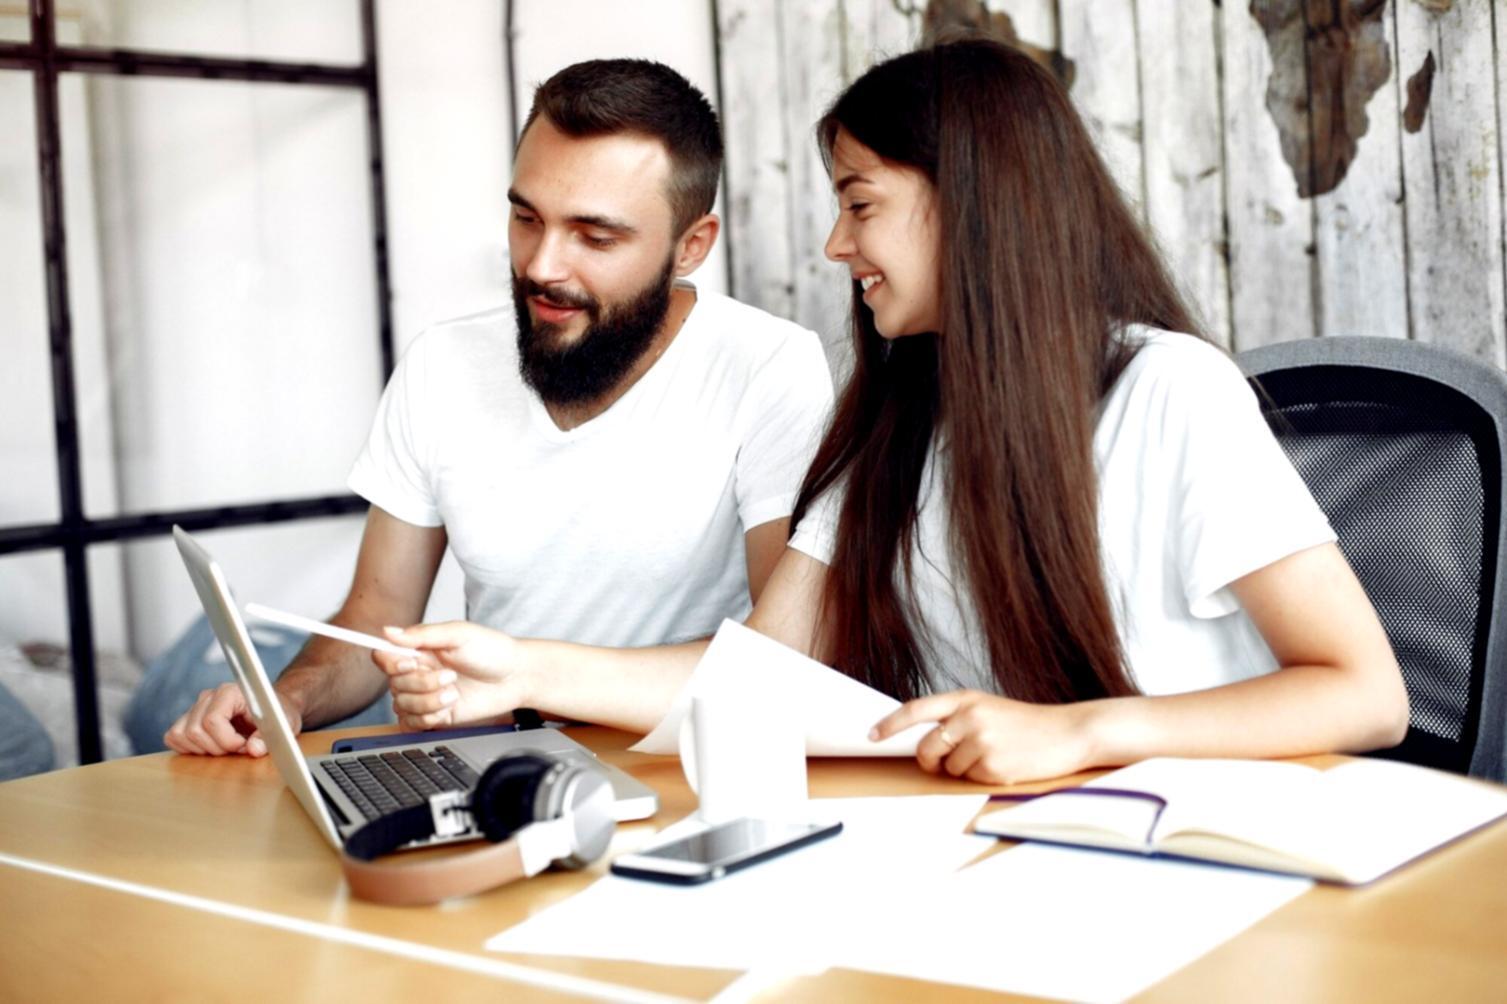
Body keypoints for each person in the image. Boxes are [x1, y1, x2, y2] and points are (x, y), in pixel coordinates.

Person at [371, 37, 1408, 785]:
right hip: (1007, 852)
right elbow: (761, 672)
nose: (836, 246)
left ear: (973, 204)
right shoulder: (896, 419)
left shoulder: (1170, 390)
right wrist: (519, 667)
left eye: (859, 204)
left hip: (1203, 855)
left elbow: (1365, 694)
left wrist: (1081, 732)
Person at [162, 58, 833, 757]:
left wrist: (525, 675)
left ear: (691, 246)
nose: (542, 265)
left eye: (595, 237)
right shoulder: (442, 365)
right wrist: (286, 698)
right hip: (494, 768)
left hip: (686, 766)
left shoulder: (769, 368)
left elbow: (783, 657)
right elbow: (376, 614)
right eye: (526, 218)